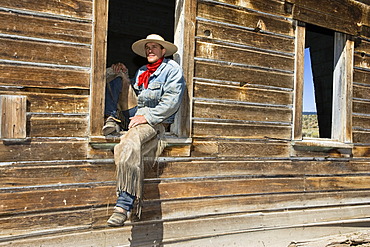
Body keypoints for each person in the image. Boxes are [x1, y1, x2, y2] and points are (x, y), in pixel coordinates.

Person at [106, 34, 185, 227]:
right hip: (137, 114)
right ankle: (112, 118)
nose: (150, 50)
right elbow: (135, 96)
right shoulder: (142, 70)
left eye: (154, 47)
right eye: (147, 48)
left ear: (163, 51)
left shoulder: (172, 70)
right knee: (118, 78)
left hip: (156, 120)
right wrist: (122, 74)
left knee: (129, 142)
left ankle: (123, 205)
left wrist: (146, 118)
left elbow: (171, 102)